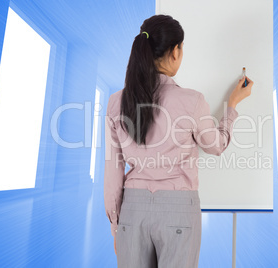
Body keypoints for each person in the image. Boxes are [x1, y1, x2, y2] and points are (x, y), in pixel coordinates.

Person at [104, 14, 253, 268]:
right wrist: (232, 106)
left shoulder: (116, 102)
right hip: (179, 211)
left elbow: (113, 171)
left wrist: (118, 223)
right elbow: (215, 145)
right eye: (181, 49)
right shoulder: (191, 101)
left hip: (132, 210)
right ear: (175, 52)